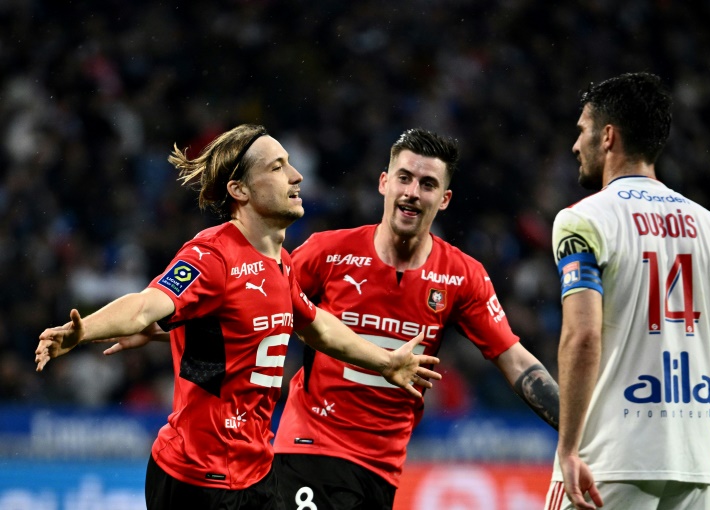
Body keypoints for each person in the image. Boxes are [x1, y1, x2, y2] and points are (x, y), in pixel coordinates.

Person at [96, 128, 561, 510]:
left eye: (427, 184)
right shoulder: (328, 252)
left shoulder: (462, 276)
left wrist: (577, 428)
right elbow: (252, 311)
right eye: (404, 178)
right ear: (384, 183)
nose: (412, 193)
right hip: (307, 448)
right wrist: (166, 327)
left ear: (445, 199)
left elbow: (516, 361)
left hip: (382, 467)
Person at [34, 124, 442, 510]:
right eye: (277, 167)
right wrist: (84, 331)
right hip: (195, 482)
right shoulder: (212, 256)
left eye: (290, 164)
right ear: (239, 189)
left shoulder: (281, 264)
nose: (296, 176)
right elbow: (145, 306)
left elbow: (315, 326)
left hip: (256, 473)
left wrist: (386, 362)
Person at [545, 72, 710, 510]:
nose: (575, 145)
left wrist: (567, 448)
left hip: (609, 466)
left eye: (582, 131)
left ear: (608, 137)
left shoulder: (583, 221)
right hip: (695, 469)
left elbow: (582, 336)